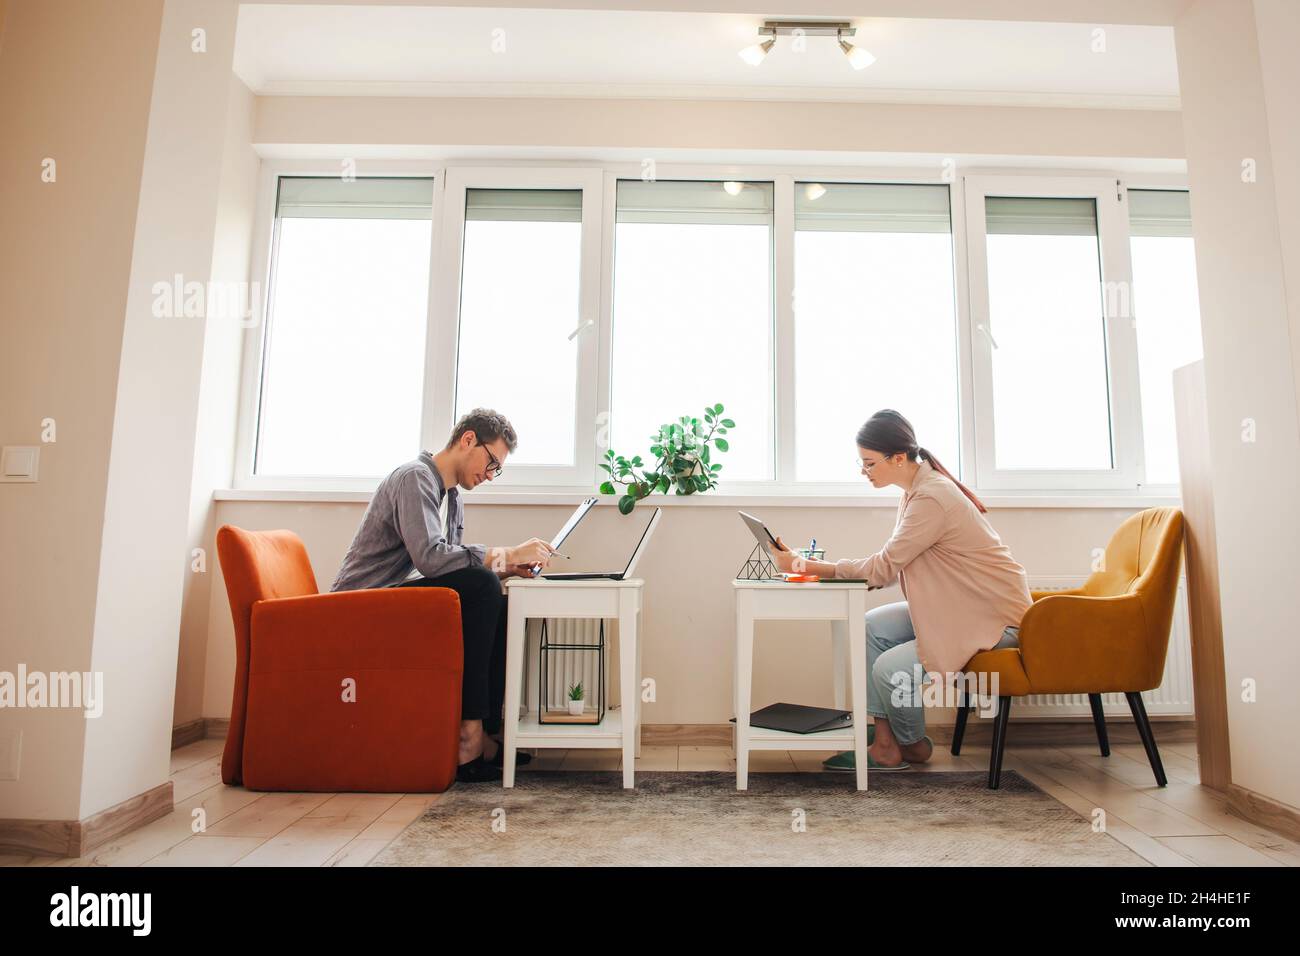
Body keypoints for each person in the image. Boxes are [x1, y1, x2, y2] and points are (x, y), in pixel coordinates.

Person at [768, 409, 1031, 771]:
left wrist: (804, 565)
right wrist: (808, 565)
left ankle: (913, 745)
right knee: (871, 626)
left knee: (891, 669)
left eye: (870, 463)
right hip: (960, 610)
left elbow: (881, 569)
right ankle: (886, 744)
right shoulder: (916, 491)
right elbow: (888, 567)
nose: (864, 471)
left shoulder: (931, 498)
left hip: (993, 621)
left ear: (898, 458)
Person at [331, 408, 556, 783]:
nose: (489, 475)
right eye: (491, 463)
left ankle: (488, 730)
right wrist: (508, 554)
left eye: (496, 469)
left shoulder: (452, 496)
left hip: (393, 601)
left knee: (497, 597)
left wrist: (505, 566)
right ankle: (468, 736)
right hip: (361, 605)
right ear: (468, 440)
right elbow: (432, 559)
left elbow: (452, 567)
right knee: (483, 585)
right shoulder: (414, 478)